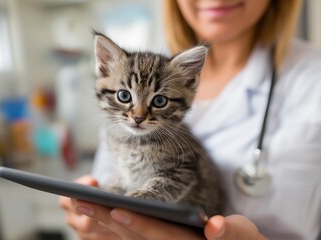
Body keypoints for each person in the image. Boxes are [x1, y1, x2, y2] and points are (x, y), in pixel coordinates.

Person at [60, 0, 321, 239]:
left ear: (191, 79)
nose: (138, 115)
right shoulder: (122, 116)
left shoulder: (312, 78)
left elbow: (178, 178)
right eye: (125, 97)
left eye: (158, 101)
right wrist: (93, 223)